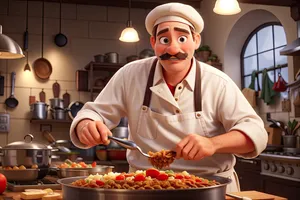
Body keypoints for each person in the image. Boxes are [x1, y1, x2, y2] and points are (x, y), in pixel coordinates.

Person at [70, 2, 268, 192]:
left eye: (182, 38)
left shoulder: (218, 82)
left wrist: (213, 144)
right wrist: (87, 125)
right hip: (145, 187)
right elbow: (93, 113)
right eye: (164, 40)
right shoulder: (130, 75)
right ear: (154, 42)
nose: (173, 49)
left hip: (211, 187)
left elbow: (256, 133)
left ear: (196, 41)